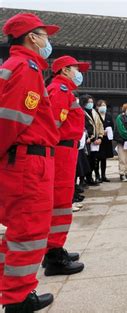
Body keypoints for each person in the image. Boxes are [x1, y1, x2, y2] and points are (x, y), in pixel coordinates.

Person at [0, 13, 60, 311]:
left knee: (18, 229)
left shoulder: (16, 66)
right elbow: (12, 121)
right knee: (29, 230)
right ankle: (18, 298)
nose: (48, 41)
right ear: (30, 37)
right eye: (44, 35)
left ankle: (9, 286)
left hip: (25, 158)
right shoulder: (26, 67)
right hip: (28, 161)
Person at [43, 55, 89, 277]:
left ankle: (55, 248)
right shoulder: (59, 91)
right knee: (61, 202)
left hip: (67, 150)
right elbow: (53, 125)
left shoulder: (65, 91)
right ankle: (53, 256)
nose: (78, 73)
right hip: (61, 151)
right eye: (74, 69)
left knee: (62, 200)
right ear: (63, 70)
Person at [82, 95, 104, 185]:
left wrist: (100, 137)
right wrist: (88, 138)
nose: (90, 104)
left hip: (95, 142)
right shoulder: (82, 112)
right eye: (88, 102)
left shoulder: (95, 112)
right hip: (86, 141)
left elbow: (100, 125)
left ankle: (90, 178)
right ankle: (83, 180)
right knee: (84, 161)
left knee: (93, 161)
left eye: (91, 102)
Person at [96, 100, 114, 182]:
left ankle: (103, 175)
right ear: (97, 107)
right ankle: (97, 175)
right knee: (97, 158)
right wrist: (101, 133)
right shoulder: (95, 115)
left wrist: (108, 132)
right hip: (98, 140)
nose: (103, 107)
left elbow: (112, 126)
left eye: (104, 105)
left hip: (106, 140)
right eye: (101, 105)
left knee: (104, 159)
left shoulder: (109, 116)